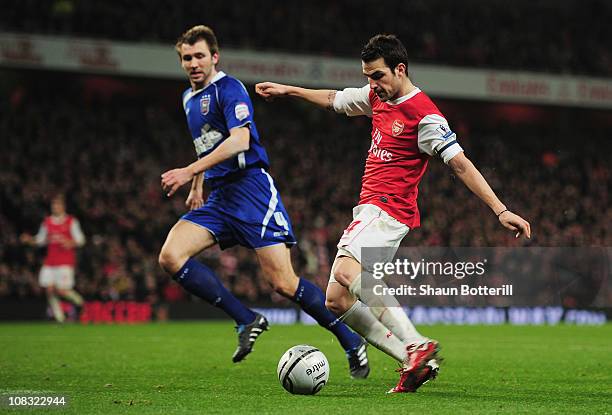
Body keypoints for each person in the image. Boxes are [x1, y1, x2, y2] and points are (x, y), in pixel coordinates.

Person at [255, 34, 531, 393]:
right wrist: (288, 90)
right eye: (368, 76)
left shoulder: (425, 115)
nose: (373, 84)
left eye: (378, 76)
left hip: (388, 209)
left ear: (400, 70)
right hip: (371, 208)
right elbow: (334, 99)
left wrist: (500, 209)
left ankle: (416, 343)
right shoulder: (376, 97)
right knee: (336, 299)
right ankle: (413, 360)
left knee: (344, 269)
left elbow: (460, 164)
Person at [158, 25, 369, 378]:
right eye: (186, 58)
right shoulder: (188, 99)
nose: (193, 63)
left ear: (214, 57)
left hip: (251, 191)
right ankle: (246, 319)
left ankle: (350, 340)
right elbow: (206, 144)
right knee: (170, 256)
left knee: (283, 283)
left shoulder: (230, 89)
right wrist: (197, 184)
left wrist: (187, 171)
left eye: (199, 56)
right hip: (219, 196)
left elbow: (239, 141)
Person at [21, 195, 86, 322]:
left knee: (61, 290)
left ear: (63, 207)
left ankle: (80, 302)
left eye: (58, 205)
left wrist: (70, 242)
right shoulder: (47, 222)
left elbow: (81, 240)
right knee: (49, 289)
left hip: (65, 261)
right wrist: (29, 240)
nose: (55, 207)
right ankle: (59, 317)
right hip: (50, 261)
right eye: (53, 205)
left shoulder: (71, 221)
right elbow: (40, 240)